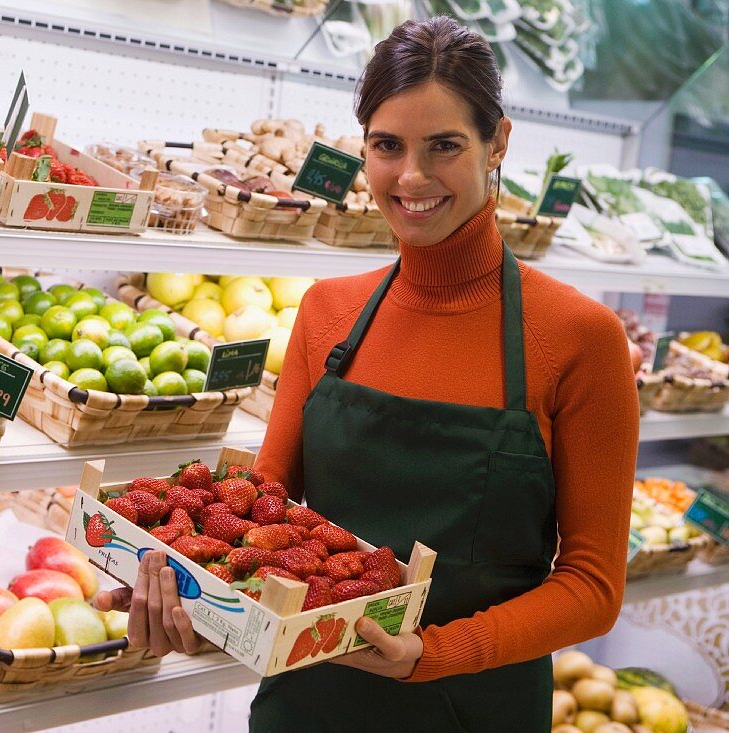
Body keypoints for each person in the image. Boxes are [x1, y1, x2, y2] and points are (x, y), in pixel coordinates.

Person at [96, 15, 640, 732]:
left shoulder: (577, 337)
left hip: (474, 708)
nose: (411, 177)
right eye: (388, 146)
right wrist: (201, 603)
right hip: (308, 703)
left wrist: (432, 652)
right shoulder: (328, 312)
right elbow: (268, 515)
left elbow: (594, 585)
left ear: (497, 142)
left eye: (443, 146)